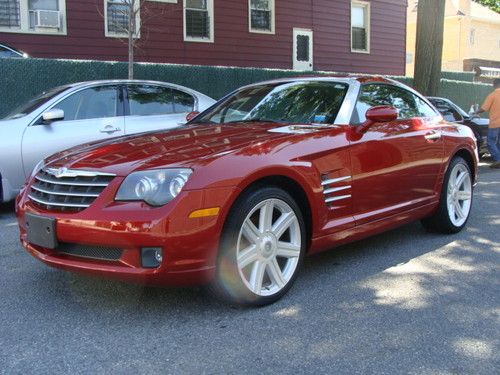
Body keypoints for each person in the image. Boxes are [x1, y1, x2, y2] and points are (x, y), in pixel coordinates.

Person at [476, 79, 500, 169]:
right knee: (498, 143)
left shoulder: (492, 95)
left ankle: (498, 159)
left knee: (490, 142)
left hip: (495, 123)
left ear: (494, 85)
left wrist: (475, 112)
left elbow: (484, 108)